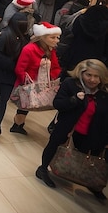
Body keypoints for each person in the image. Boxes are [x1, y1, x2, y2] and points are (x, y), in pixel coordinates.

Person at [35, 59, 108, 200]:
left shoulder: (104, 92)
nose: (92, 80)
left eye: (97, 76)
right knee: (55, 145)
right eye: (89, 75)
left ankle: (91, 183)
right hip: (67, 126)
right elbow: (58, 103)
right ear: (81, 73)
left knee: (89, 157)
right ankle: (43, 169)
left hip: (93, 130)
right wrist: (74, 100)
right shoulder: (71, 84)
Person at [0, 13, 29, 140]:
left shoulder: (3, 35)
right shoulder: (22, 39)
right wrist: (13, 65)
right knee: (3, 101)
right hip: (9, 76)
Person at [11, 22, 62, 135]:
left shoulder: (50, 51)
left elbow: (55, 67)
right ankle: (17, 124)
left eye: (57, 37)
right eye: (52, 37)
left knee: (29, 105)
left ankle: (18, 124)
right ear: (42, 37)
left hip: (42, 84)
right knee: (24, 106)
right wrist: (27, 81)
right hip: (28, 84)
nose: (56, 40)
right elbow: (20, 69)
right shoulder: (29, 49)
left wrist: (52, 77)